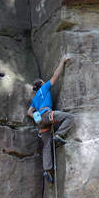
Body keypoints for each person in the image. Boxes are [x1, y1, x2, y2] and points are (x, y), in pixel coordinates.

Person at [27, 55, 74, 183]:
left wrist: (37, 118)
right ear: (42, 83)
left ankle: (47, 170)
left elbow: (28, 112)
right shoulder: (45, 87)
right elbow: (55, 76)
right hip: (47, 114)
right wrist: (62, 61)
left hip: (40, 122)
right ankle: (59, 135)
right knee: (69, 118)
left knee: (47, 145)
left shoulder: (35, 99)